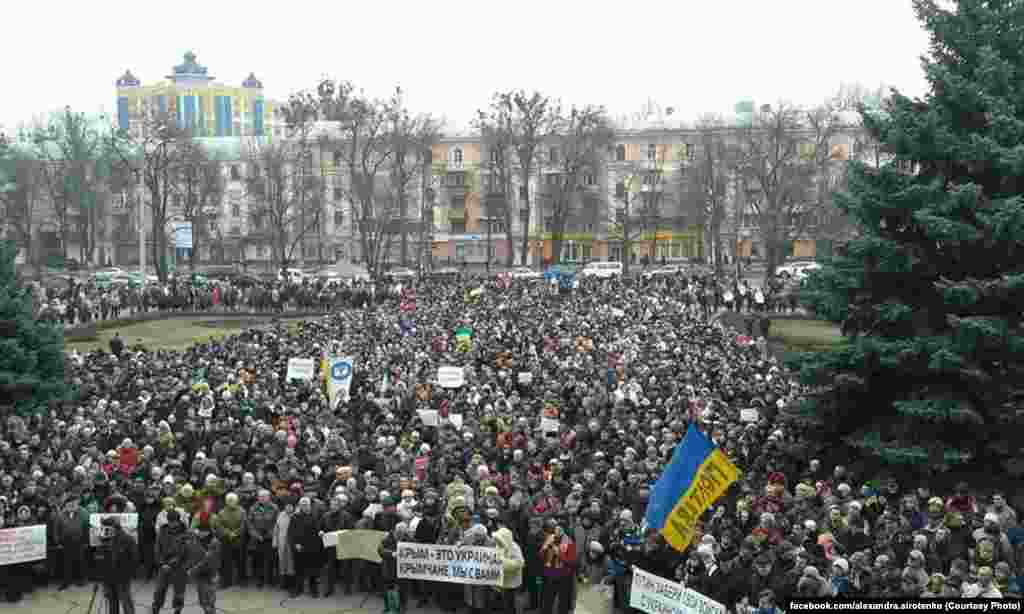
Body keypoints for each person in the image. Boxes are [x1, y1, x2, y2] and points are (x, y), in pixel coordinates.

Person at [95, 515, 137, 614]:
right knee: (112, 603)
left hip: (122, 577)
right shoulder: (105, 540)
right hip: (109, 577)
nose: (104, 530)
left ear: (114, 527)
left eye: (106, 528)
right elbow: (100, 559)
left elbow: (134, 559)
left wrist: (128, 574)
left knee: (126, 601)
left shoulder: (127, 539)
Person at [152, 510, 188, 614]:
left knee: (179, 592)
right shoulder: (162, 531)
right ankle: (156, 608)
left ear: (178, 521)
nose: (172, 524)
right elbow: (157, 549)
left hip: (179, 566)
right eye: (170, 521)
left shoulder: (185, 533)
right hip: (163, 565)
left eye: (174, 521)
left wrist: (172, 563)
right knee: (159, 589)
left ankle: (177, 609)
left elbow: (185, 551)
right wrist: (161, 563)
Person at [185, 527, 221, 614]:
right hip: (202, 575)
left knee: (208, 601)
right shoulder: (194, 543)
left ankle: (210, 611)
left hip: (210, 575)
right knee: (204, 601)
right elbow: (192, 559)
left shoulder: (214, 543)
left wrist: (192, 571)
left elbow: (206, 561)